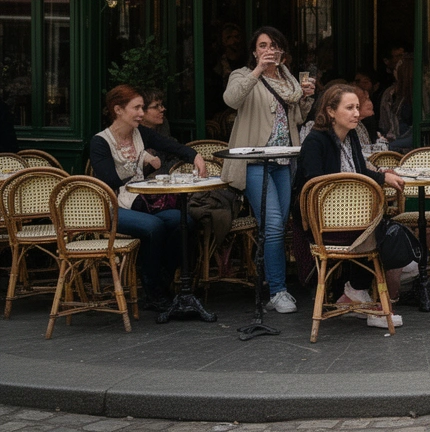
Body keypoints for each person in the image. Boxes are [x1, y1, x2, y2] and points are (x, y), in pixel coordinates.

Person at [293, 84, 407, 328]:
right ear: (331, 111)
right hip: (323, 222)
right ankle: (360, 294)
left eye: (357, 107)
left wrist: (383, 175)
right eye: (350, 108)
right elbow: (317, 186)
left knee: (391, 230)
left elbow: (359, 172)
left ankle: (357, 293)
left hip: (354, 220)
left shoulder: (352, 136)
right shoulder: (316, 141)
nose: (356, 113)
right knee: (384, 234)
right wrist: (374, 181)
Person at [222, 27, 315, 315]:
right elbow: (231, 100)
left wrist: (306, 98)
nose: (268, 50)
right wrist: (258, 71)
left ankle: (272, 283)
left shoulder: (289, 79)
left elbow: (297, 118)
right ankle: (277, 290)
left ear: (282, 51)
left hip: (285, 161)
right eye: (263, 45)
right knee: (273, 224)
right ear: (254, 51)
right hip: (255, 161)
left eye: (273, 45)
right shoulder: (242, 75)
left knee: (278, 224)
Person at [90, 85, 209, 308]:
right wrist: (140, 159)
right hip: (115, 207)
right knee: (154, 227)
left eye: (142, 108)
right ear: (118, 110)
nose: (141, 114)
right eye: (136, 108)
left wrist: (196, 156)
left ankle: (163, 278)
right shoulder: (100, 142)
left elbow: (170, 145)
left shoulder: (140, 134)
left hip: (140, 202)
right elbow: (110, 180)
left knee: (184, 221)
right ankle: (152, 289)